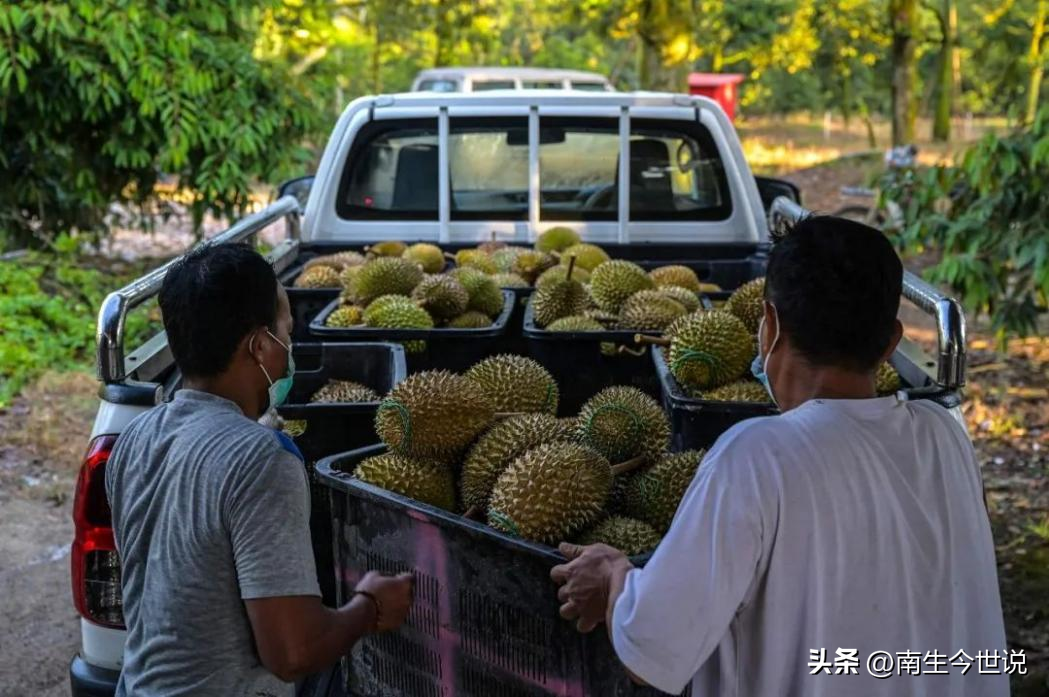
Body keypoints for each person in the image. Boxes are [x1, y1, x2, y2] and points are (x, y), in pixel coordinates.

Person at [551, 216, 1008, 697]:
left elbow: (650, 651)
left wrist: (613, 577)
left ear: (769, 326)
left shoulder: (755, 457)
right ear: (892, 342)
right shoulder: (947, 436)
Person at [105, 244, 413, 697]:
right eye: (287, 328)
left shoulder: (133, 440)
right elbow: (292, 654)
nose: (291, 344)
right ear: (261, 345)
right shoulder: (262, 459)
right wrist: (370, 606)